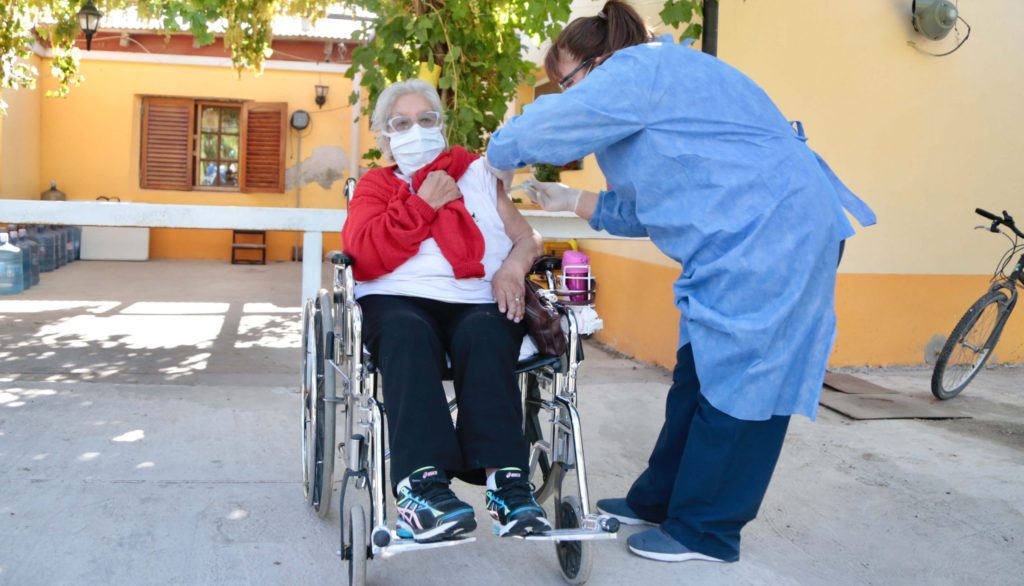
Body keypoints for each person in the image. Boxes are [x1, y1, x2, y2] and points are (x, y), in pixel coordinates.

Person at [485, 0, 876, 564]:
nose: (568, 96)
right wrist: (575, 200)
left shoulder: (639, 70)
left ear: (598, 61)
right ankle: (661, 498)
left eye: (566, 82)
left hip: (774, 235)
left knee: (746, 384)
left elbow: (550, 130)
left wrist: (500, 154)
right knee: (698, 374)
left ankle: (707, 529)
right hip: (745, 232)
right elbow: (662, 202)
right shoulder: (658, 87)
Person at [341, 79, 550, 542]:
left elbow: (528, 238)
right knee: (406, 335)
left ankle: (508, 486)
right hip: (396, 296)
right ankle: (423, 489)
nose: (416, 130)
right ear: (385, 136)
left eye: (426, 120)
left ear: (442, 124)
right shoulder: (376, 186)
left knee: (490, 332)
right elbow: (365, 254)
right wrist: (422, 204)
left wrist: (513, 269)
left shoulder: (476, 173)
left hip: (475, 294)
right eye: (402, 123)